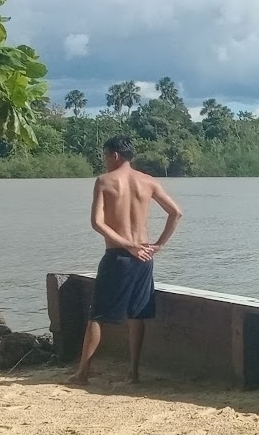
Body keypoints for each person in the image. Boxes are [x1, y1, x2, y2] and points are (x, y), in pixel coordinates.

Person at [70, 135, 183, 385]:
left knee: (96, 316)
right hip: (144, 256)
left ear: (115, 155)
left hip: (118, 255)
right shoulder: (148, 181)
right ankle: (133, 373)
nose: (104, 161)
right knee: (136, 314)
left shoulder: (104, 181)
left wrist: (128, 245)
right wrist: (159, 245)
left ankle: (82, 373)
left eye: (105, 156)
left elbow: (97, 223)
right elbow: (176, 213)